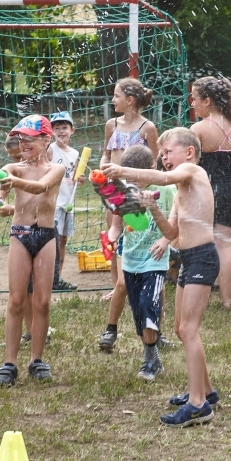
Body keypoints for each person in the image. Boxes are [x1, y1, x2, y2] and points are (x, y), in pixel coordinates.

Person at [103, 128, 219, 427]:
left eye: (168, 151)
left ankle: (198, 406)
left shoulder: (193, 171)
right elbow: (173, 234)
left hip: (204, 258)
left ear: (189, 153)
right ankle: (205, 392)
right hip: (190, 259)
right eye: (162, 153)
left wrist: (121, 170)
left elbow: (164, 178)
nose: (164, 157)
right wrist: (152, 206)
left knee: (189, 330)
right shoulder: (182, 193)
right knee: (181, 329)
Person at [0, 115, 65, 386]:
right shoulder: (11, 168)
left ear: (46, 140)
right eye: (21, 138)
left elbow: (40, 187)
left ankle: (37, 359)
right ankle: (9, 363)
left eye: (30, 139)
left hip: (46, 236)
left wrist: (11, 181)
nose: (24, 143)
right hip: (20, 234)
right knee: (16, 300)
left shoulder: (56, 169)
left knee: (43, 302)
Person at [105, 145, 176, 381]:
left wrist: (165, 241)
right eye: (128, 177)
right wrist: (112, 239)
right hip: (131, 262)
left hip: (155, 262)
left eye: (138, 177)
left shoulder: (166, 191)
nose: (134, 182)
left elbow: (177, 225)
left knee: (149, 305)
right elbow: (116, 225)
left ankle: (149, 361)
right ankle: (152, 353)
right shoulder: (124, 194)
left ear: (151, 170)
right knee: (138, 313)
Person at [189, 76, 231, 309]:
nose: (192, 103)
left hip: (206, 190)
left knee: (199, 242)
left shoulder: (199, 129)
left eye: (194, 98)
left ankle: (198, 292)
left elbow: (190, 163)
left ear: (207, 101)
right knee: (224, 245)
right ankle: (227, 299)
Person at [100, 78, 160, 301]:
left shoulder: (148, 128)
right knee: (113, 235)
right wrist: (102, 167)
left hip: (137, 190)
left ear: (130, 100)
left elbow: (154, 160)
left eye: (116, 96)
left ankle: (139, 278)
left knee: (137, 234)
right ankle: (117, 286)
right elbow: (106, 153)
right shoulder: (111, 125)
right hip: (113, 188)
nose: (113, 100)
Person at [48, 111, 82, 291]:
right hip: (53, 204)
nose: (61, 132)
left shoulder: (75, 153)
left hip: (68, 204)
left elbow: (74, 177)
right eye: (57, 128)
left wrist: (79, 178)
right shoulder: (50, 150)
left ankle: (57, 278)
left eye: (64, 128)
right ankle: (49, 277)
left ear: (72, 130)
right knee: (51, 242)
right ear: (52, 131)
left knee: (62, 241)